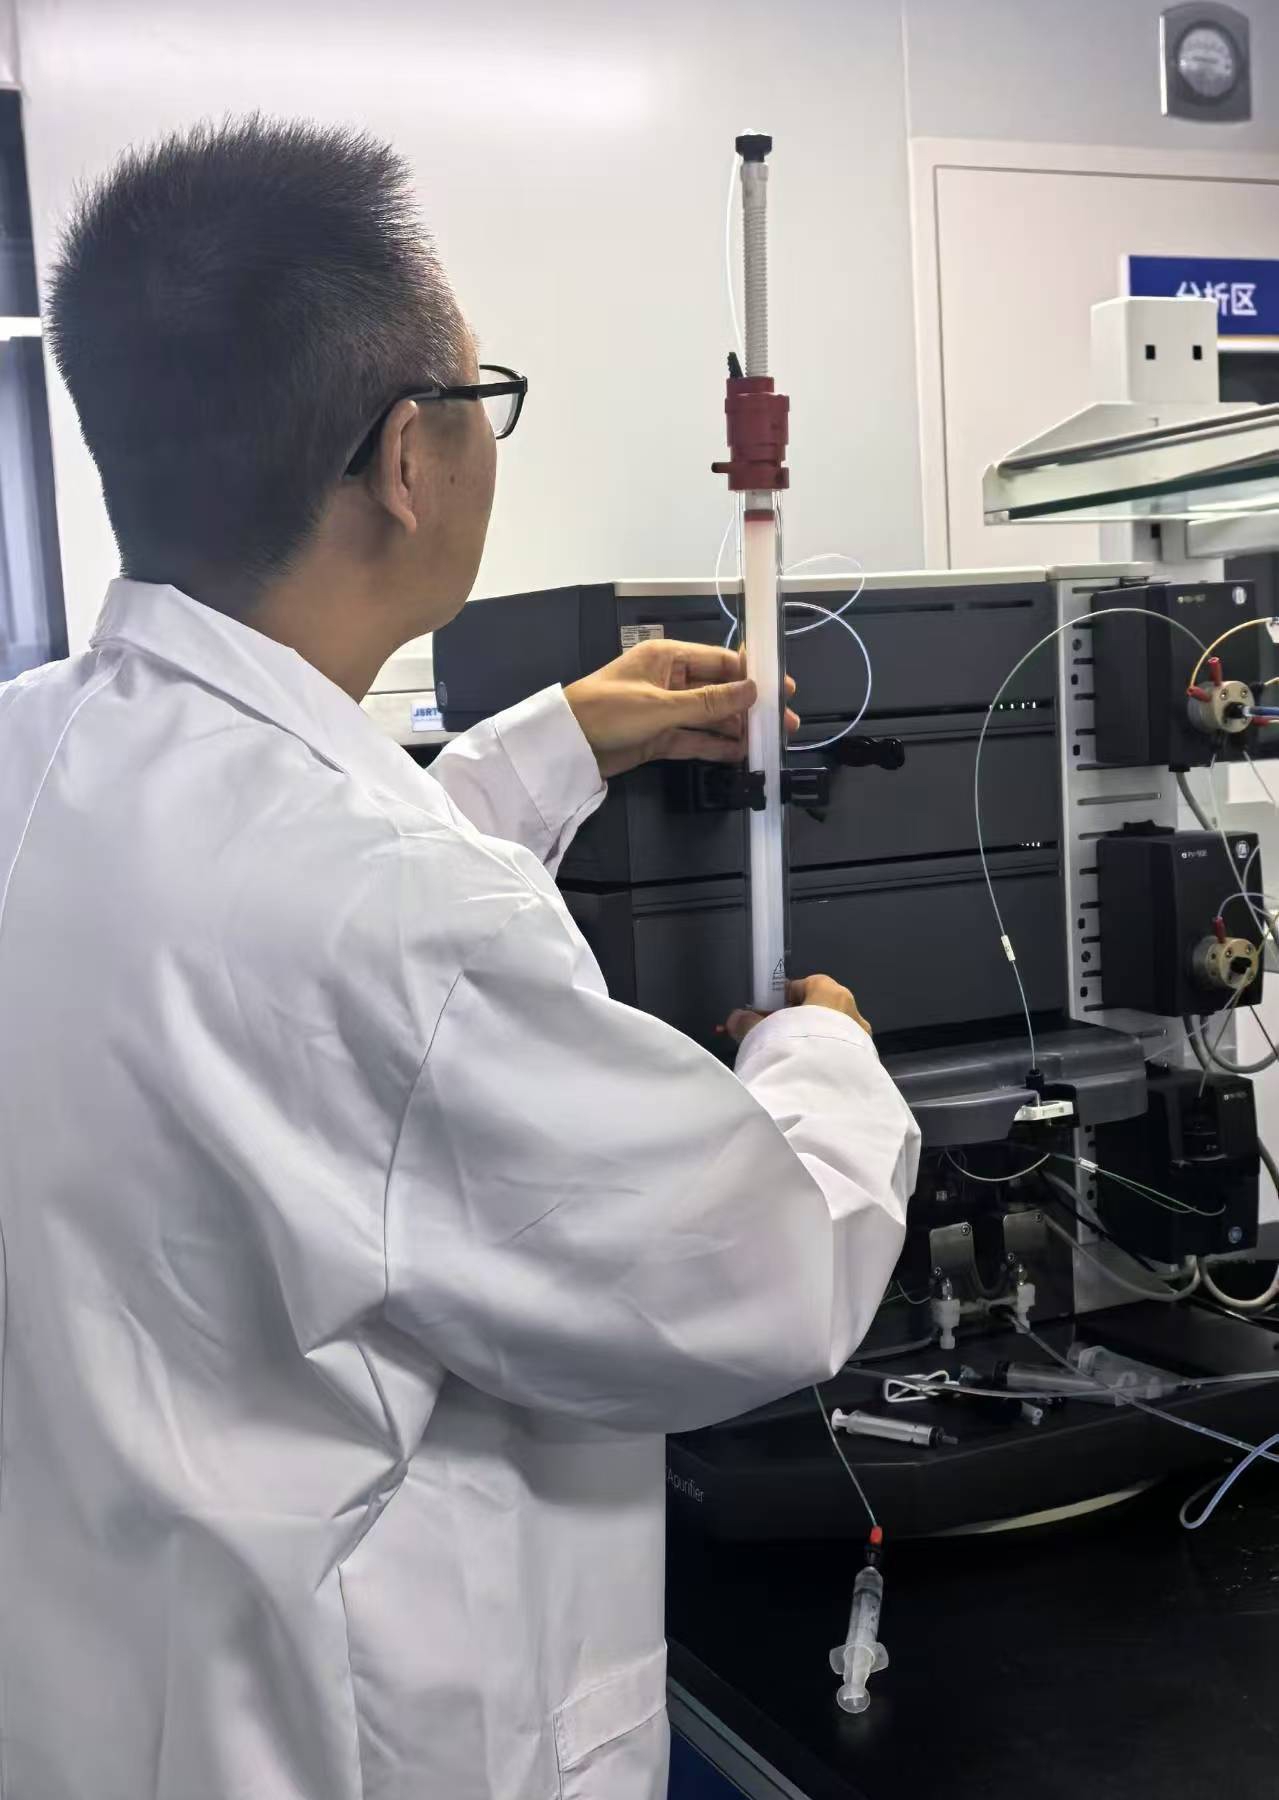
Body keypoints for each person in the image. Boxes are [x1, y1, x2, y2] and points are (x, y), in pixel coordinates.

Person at [0, 118, 919, 1800]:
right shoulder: (405, 923)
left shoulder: (34, 756)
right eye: (482, 396)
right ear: (409, 456)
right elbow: (770, 1275)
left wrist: (550, 746)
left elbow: (273, 925)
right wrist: (824, 1054)